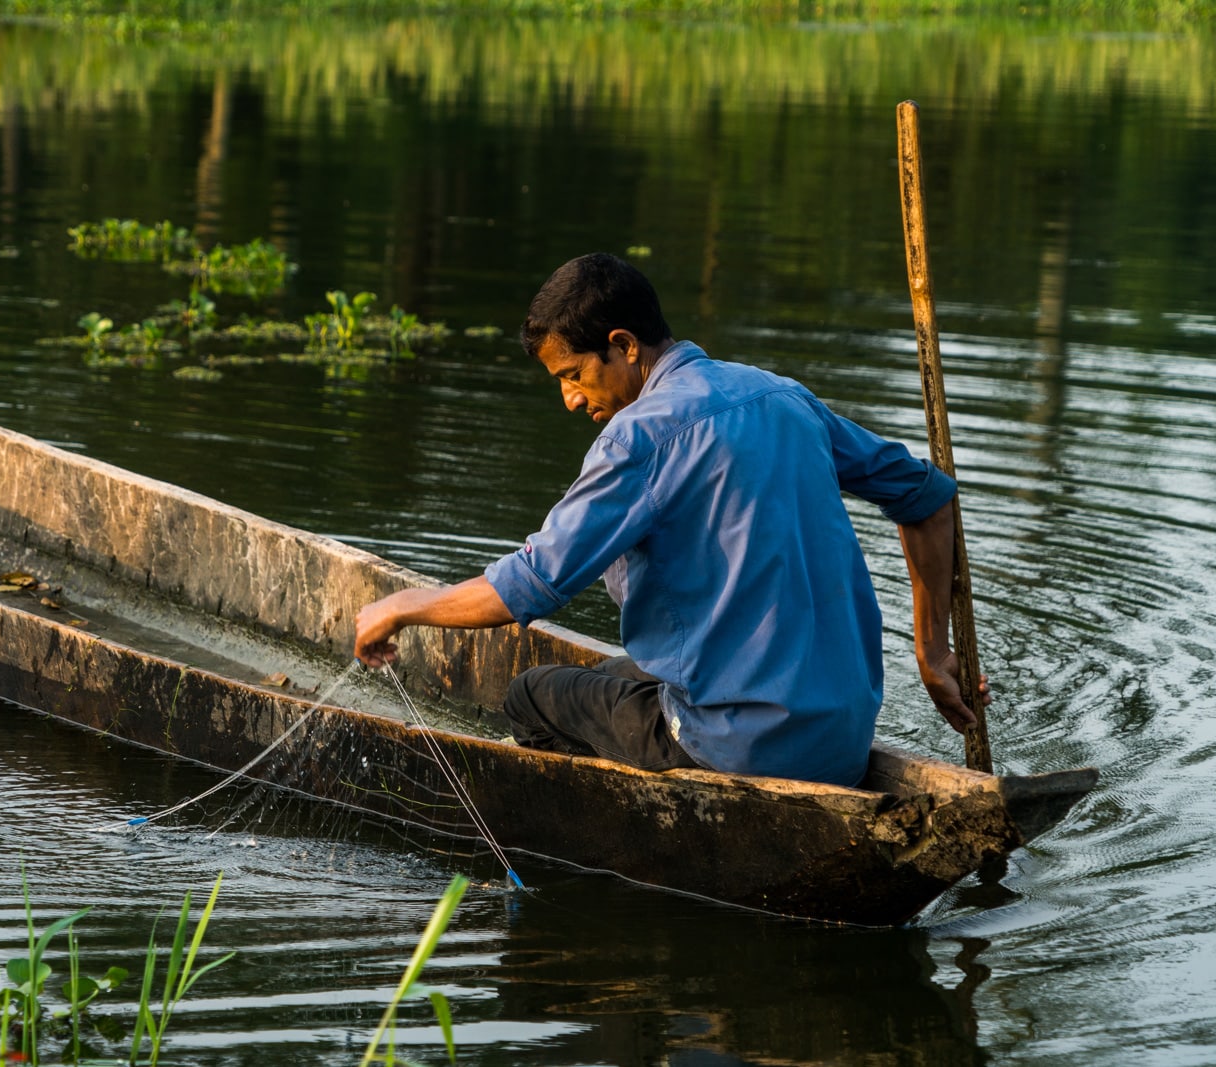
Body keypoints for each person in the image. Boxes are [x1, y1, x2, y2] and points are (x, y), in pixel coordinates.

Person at [353, 253, 987, 787]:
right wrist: (932, 653)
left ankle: (612, 852)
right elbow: (929, 499)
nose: (571, 398)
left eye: (574, 375)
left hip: (738, 748)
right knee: (607, 677)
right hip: (841, 739)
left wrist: (404, 603)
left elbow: (529, 587)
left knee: (531, 696)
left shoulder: (639, 438)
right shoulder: (783, 396)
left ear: (624, 347)